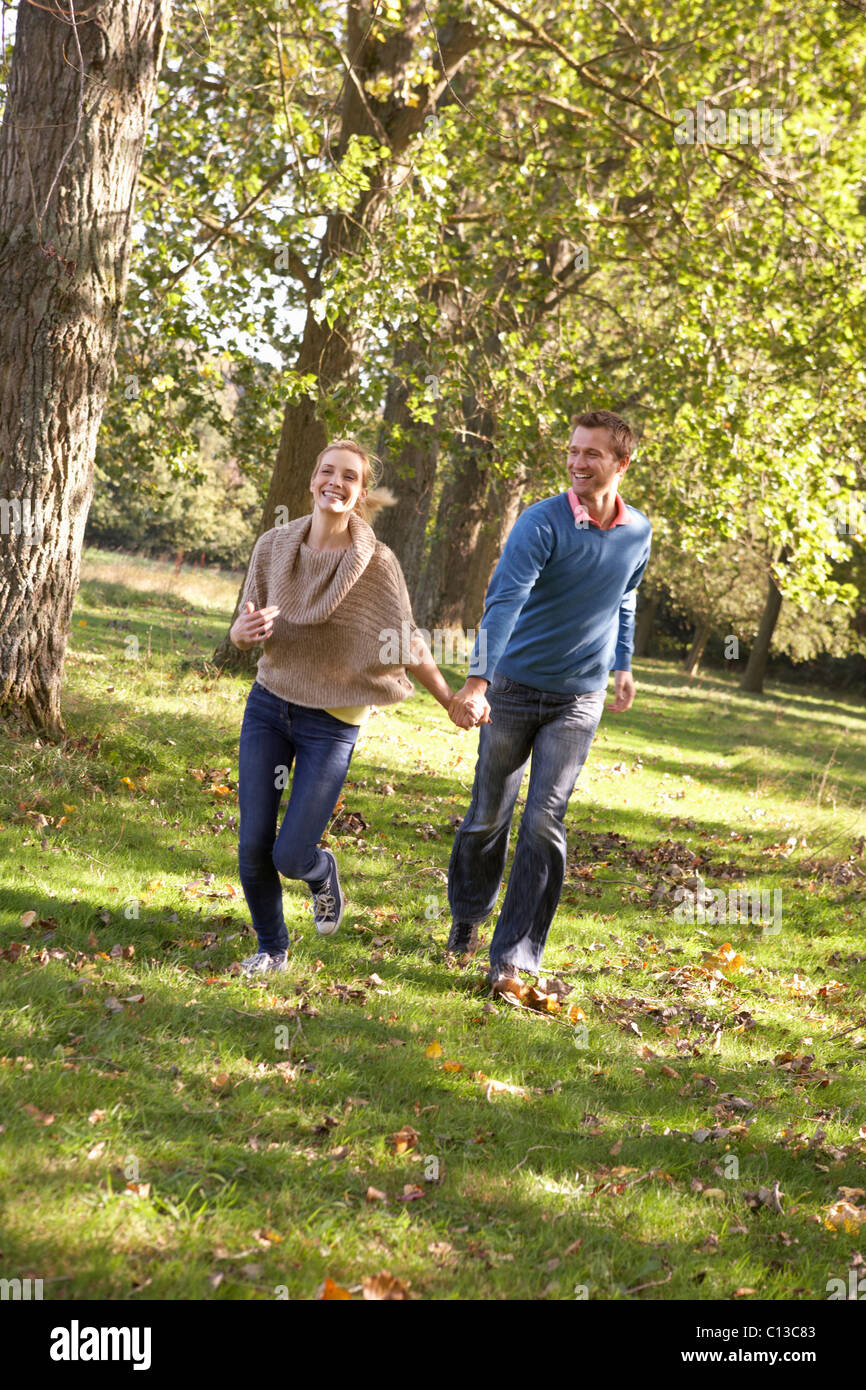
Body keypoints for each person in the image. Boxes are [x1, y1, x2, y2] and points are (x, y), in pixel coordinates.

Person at [230, 439, 456, 978]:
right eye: (327, 471)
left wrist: (449, 700)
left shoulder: (376, 563)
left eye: (349, 476)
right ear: (312, 479)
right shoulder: (272, 547)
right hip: (270, 704)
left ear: (359, 493)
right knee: (253, 841)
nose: (336, 482)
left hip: (332, 723)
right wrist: (239, 635)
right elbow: (245, 628)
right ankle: (272, 949)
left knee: (290, 854)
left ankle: (319, 868)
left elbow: (407, 641)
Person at [446, 409, 652, 991]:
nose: (578, 462)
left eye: (592, 453)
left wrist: (623, 663)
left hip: (578, 700)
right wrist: (479, 681)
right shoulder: (541, 522)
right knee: (489, 814)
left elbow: (626, 598)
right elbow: (504, 600)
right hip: (512, 688)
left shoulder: (638, 531)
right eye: (572, 451)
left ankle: (514, 958)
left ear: (622, 462)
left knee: (545, 822)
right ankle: (466, 917)